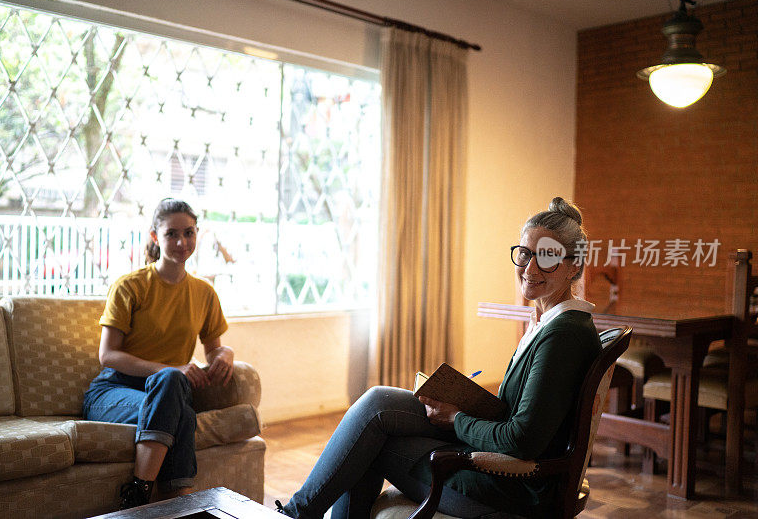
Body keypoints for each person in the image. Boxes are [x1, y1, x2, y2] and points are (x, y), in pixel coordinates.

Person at [277, 197, 601, 519]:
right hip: (500, 469)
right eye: (525, 254)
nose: (530, 268)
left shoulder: (564, 335)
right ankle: (297, 513)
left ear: (575, 264)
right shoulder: (551, 324)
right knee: (378, 402)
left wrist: (457, 418)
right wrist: (462, 404)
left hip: (512, 489)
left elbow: (520, 441)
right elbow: (516, 414)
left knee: (368, 444)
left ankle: (296, 514)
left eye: (547, 257)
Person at [83, 198, 234, 509]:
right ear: (155, 236)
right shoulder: (130, 286)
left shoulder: (204, 293)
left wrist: (226, 353)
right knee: (180, 405)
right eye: (171, 234)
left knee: (175, 395)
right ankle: (158, 499)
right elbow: (107, 355)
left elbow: (214, 349)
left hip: (169, 393)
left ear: (196, 234)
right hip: (114, 390)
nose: (182, 242)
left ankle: (151, 501)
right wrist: (172, 370)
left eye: (189, 233)